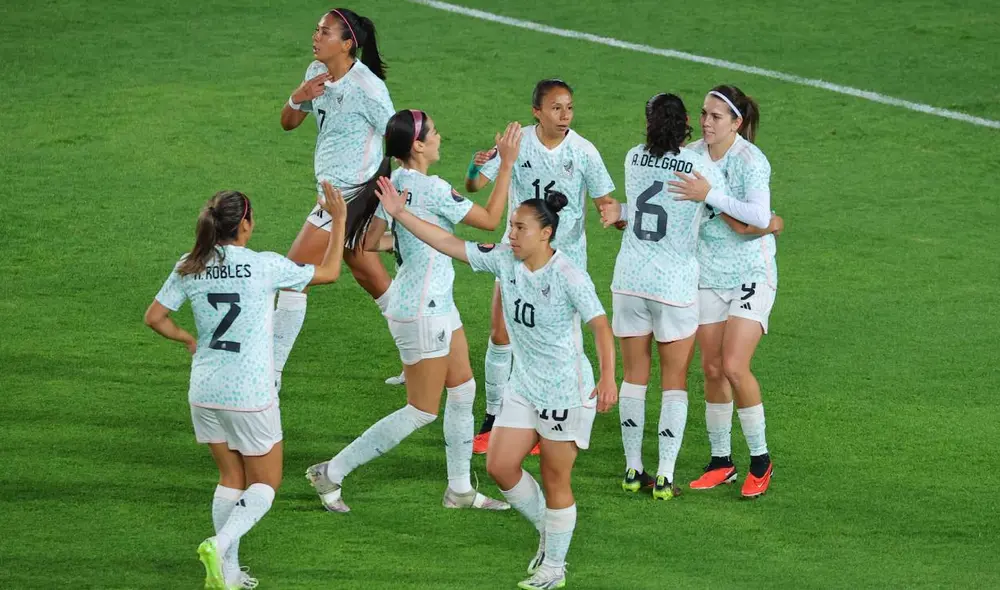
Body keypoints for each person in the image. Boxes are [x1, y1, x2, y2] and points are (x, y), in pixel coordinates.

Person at [374, 178, 617, 590]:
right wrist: (399, 215)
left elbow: (599, 325)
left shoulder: (569, 275)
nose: (511, 234)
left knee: (556, 479)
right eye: (512, 226)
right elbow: (449, 243)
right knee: (499, 465)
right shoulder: (505, 260)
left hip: (565, 392)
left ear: (546, 233)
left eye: (520, 228)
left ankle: (554, 567)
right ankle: (550, 531)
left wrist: (609, 376)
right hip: (523, 385)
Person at [304, 112, 523, 512]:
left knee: (463, 390)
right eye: (434, 132)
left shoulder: (397, 181)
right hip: (424, 310)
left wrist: (411, 239)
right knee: (421, 409)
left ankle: (458, 489)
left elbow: (371, 241)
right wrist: (506, 164)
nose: (440, 137)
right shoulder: (430, 188)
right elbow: (491, 221)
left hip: (429, 302)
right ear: (418, 146)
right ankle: (330, 472)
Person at [143, 185, 348, 590]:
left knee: (229, 479)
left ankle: (231, 575)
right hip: (250, 394)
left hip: (204, 390)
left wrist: (187, 339)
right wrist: (339, 221)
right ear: (246, 225)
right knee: (265, 483)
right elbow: (329, 272)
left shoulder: (190, 264)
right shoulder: (263, 265)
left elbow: (155, 317)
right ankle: (218, 546)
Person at [464, 79, 618, 454]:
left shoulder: (583, 152)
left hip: (563, 264)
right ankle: (494, 416)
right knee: (501, 331)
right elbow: (473, 185)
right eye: (556, 108)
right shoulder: (518, 144)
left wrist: (617, 216)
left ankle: (553, 416)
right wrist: (478, 161)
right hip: (516, 255)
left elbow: (605, 202)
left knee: (561, 341)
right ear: (537, 111)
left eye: (569, 108)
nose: (565, 115)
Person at [598, 93, 728, 500]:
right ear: (688, 121)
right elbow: (717, 211)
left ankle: (634, 469)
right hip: (673, 285)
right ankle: (667, 475)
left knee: (634, 377)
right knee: (674, 381)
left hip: (630, 281)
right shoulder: (699, 167)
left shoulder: (633, 157)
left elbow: (630, 211)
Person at [277, 7, 403, 390]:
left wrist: (395, 197)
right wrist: (298, 97)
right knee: (367, 273)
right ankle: (420, 353)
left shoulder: (367, 88)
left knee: (290, 277)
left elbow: (399, 137)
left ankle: (269, 372)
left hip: (350, 195)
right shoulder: (315, 74)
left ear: (348, 44)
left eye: (325, 32)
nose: (315, 37)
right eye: (316, 29)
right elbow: (288, 123)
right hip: (332, 192)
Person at [667, 85, 782, 498]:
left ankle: (761, 460)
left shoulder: (751, 160)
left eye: (716, 117)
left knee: (734, 365)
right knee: (712, 369)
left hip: (752, 271)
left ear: (736, 123)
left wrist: (709, 195)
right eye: (703, 114)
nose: (706, 122)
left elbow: (761, 215)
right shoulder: (692, 155)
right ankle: (720, 461)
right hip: (709, 272)